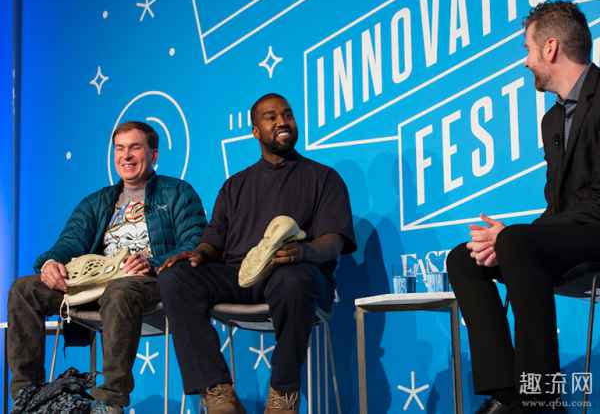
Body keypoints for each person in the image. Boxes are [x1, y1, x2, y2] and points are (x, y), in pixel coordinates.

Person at [157, 93, 356, 414]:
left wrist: (302, 252)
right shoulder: (235, 185)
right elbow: (213, 240)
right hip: (240, 276)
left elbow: (334, 242)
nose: (282, 122)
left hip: (295, 275)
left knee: (293, 278)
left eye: (287, 115)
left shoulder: (324, 178)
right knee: (175, 277)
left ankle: (283, 394)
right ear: (255, 131)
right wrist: (199, 254)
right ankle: (217, 393)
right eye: (271, 117)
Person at [447, 1, 599, 414]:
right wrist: (505, 239)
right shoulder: (553, 121)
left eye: (528, 49)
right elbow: (558, 207)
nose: (526, 61)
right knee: (465, 258)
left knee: (515, 240)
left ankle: (542, 399)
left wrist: (518, 237)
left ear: (550, 48)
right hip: (576, 233)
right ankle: (509, 393)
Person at [7, 121, 207, 414]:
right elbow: (69, 242)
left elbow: (195, 241)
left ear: (153, 155)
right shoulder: (97, 202)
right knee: (24, 289)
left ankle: (110, 401)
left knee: (119, 290)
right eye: (120, 149)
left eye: (135, 148)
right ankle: (26, 396)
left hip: (146, 281)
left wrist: (152, 263)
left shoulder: (177, 192)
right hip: (94, 283)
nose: (126, 156)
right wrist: (50, 263)